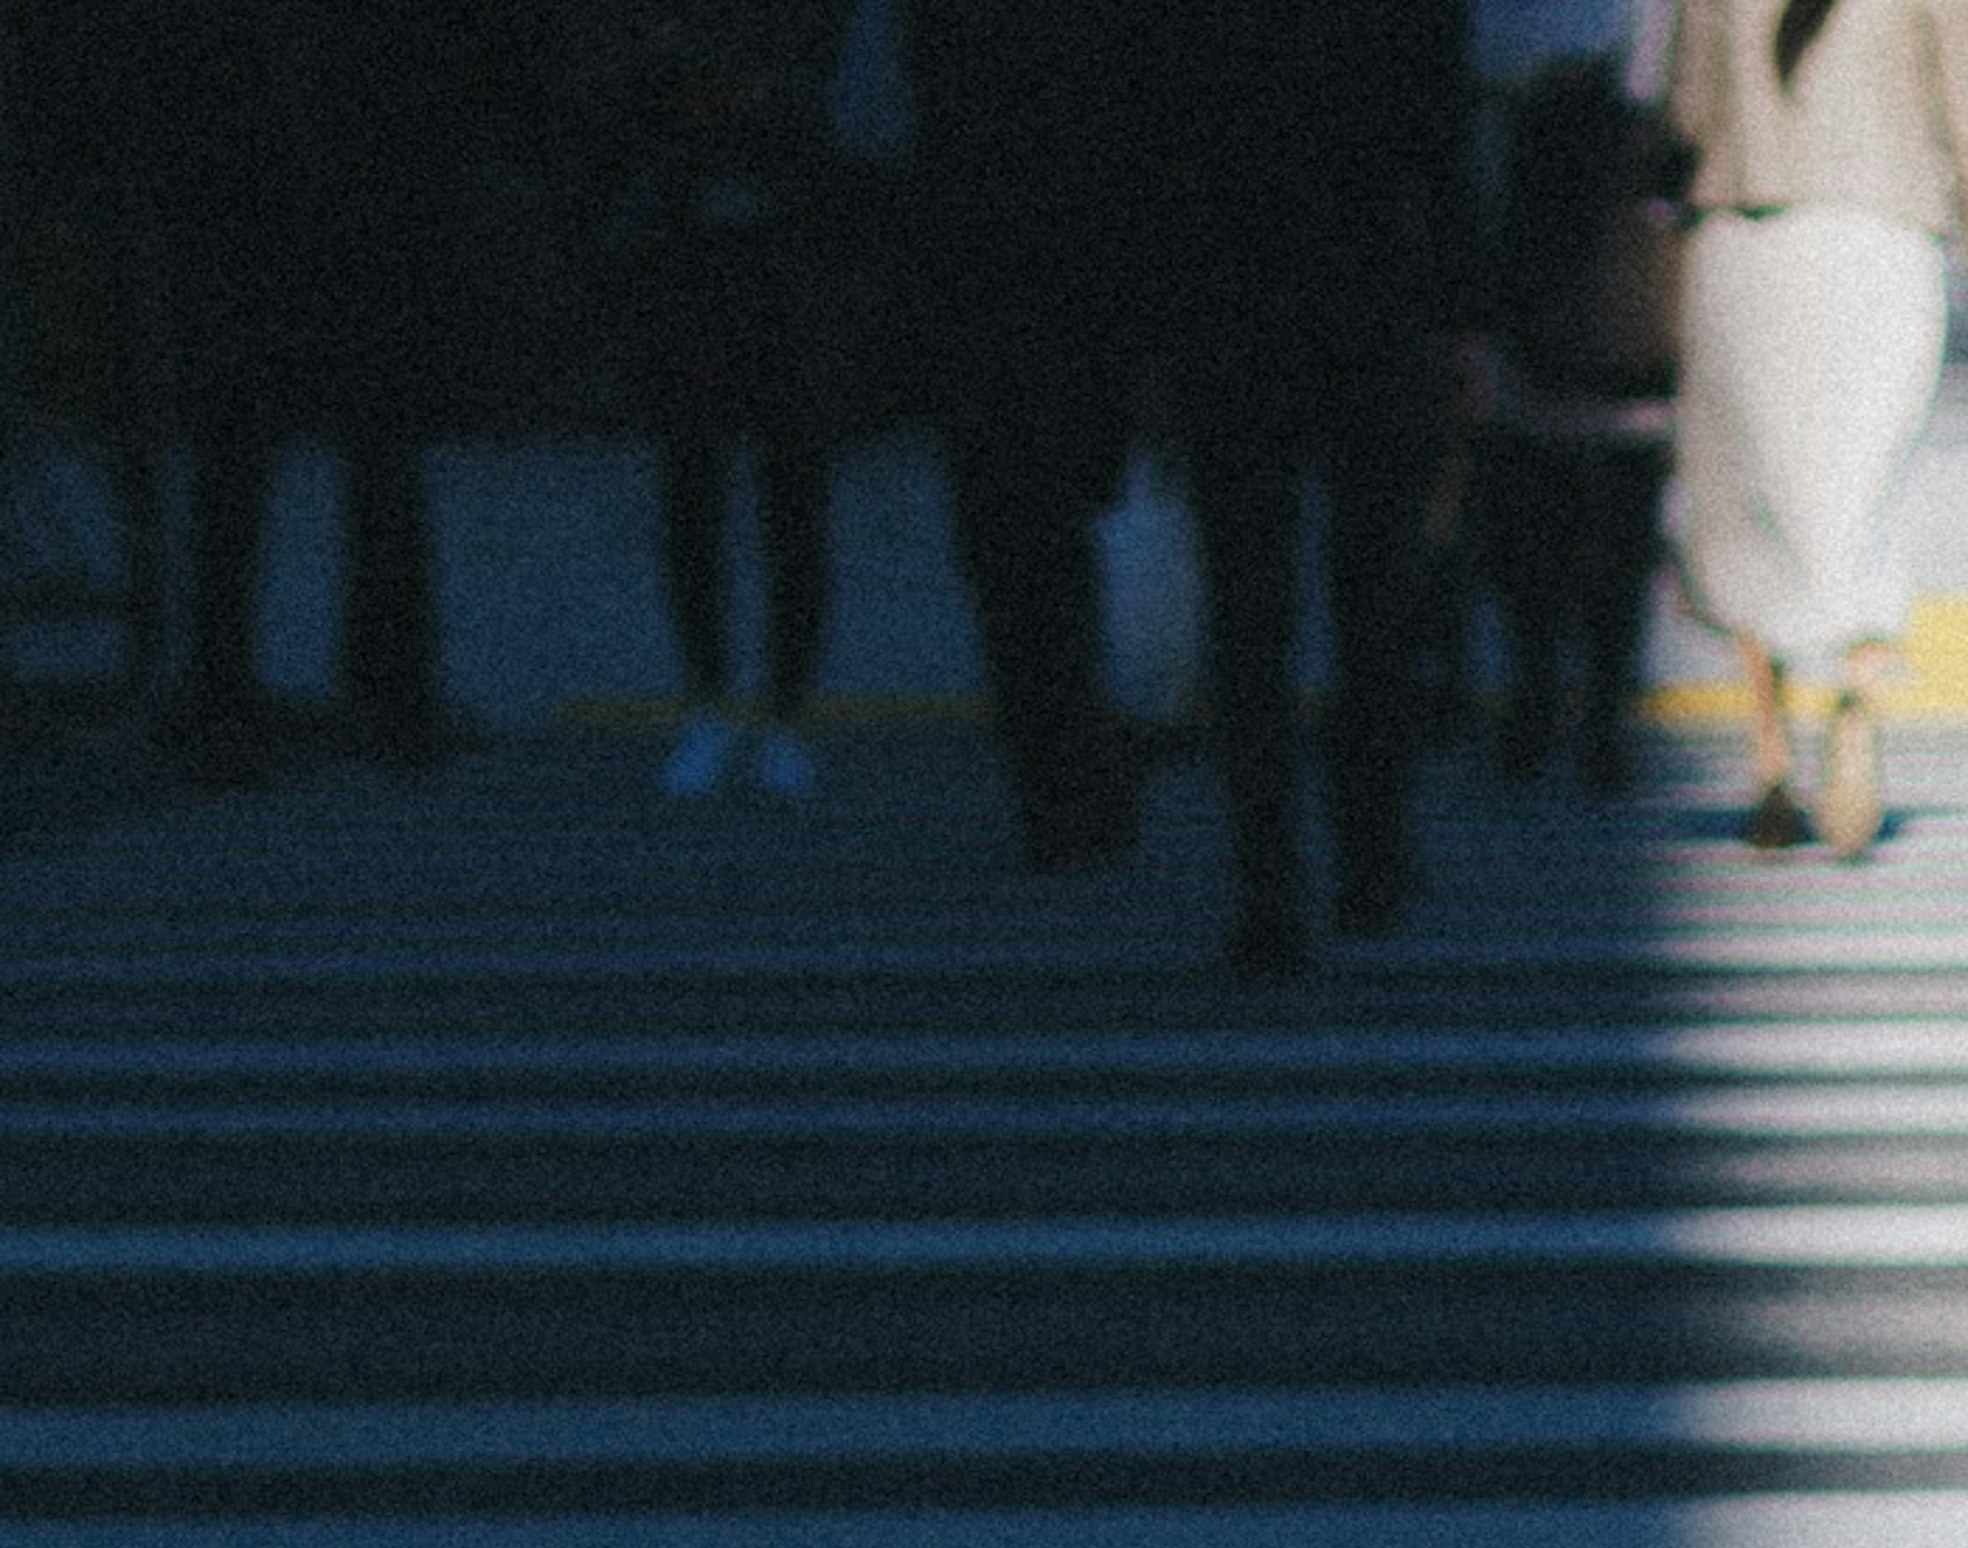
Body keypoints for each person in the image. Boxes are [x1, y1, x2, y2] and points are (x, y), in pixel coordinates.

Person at [903, 0, 1484, 970]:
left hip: (1234, 309)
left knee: (1250, 613)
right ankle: (1370, 850)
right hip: (1369, 299)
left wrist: (1146, 343)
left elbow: (1148, 161)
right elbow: (1440, 137)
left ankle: (1273, 879)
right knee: (1371, 595)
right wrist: (1464, 318)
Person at [134, 0, 534, 785]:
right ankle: (372, 698)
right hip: (327, 212)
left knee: (264, 468)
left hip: (277, 217)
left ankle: (261, 700)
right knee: (355, 463)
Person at [1667, 0, 1968, 855]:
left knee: (1750, 508)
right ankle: (1857, 699)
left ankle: (1770, 757)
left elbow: (1685, 111)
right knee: (1860, 492)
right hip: (1883, 235)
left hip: (1748, 228)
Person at [577, 1, 862, 797]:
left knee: (787, 505)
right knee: (701, 502)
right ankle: (719, 704)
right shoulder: (673, 67)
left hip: (778, 281)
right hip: (696, 283)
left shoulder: (785, 63)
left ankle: (778, 711)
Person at [1479, 48, 1683, 789]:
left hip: (1544, 317)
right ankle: (1603, 714)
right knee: (1623, 544)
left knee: (1533, 533)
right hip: (1631, 318)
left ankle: (1537, 698)